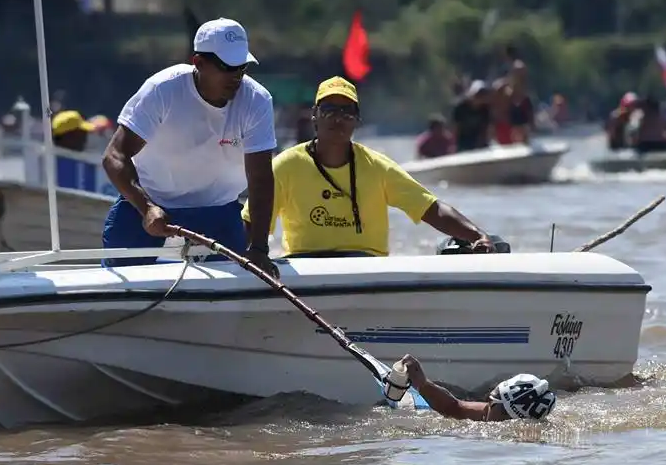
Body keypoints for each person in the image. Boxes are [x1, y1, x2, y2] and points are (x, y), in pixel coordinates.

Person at [241, 76, 496, 258]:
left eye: (347, 111)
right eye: (329, 110)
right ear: (314, 115)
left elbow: (431, 208)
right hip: (306, 270)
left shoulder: (378, 166)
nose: (338, 118)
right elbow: (249, 225)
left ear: (357, 120)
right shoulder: (284, 166)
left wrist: (477, 235)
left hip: (365, 267)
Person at [100, 17, 279, 275]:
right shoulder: (162, 89)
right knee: (119, 281)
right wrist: (146, 208)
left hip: (219, 209)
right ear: (198, 62)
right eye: (227, 67)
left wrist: (260, 249)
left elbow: (261, 178)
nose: (237, 76)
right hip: (149, 201)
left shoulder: (257, 100)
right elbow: (114, 156)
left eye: (242, 67)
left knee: (234, 283)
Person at [395, 354, 556, 421]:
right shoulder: (492, 413)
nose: (487, 406)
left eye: (493, 404)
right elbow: (455, 407)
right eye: (490, 400)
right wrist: (422, 384)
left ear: (508, 416)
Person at [452, 80, 492, 152]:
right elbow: (457, 127)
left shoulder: (485, 109)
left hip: (480, 143)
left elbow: (485, 128)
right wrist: (455, 145)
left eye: (483, 95)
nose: (480, 98)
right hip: (463, 143)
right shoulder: (461, 107)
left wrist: (481, 144)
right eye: (478, 94)